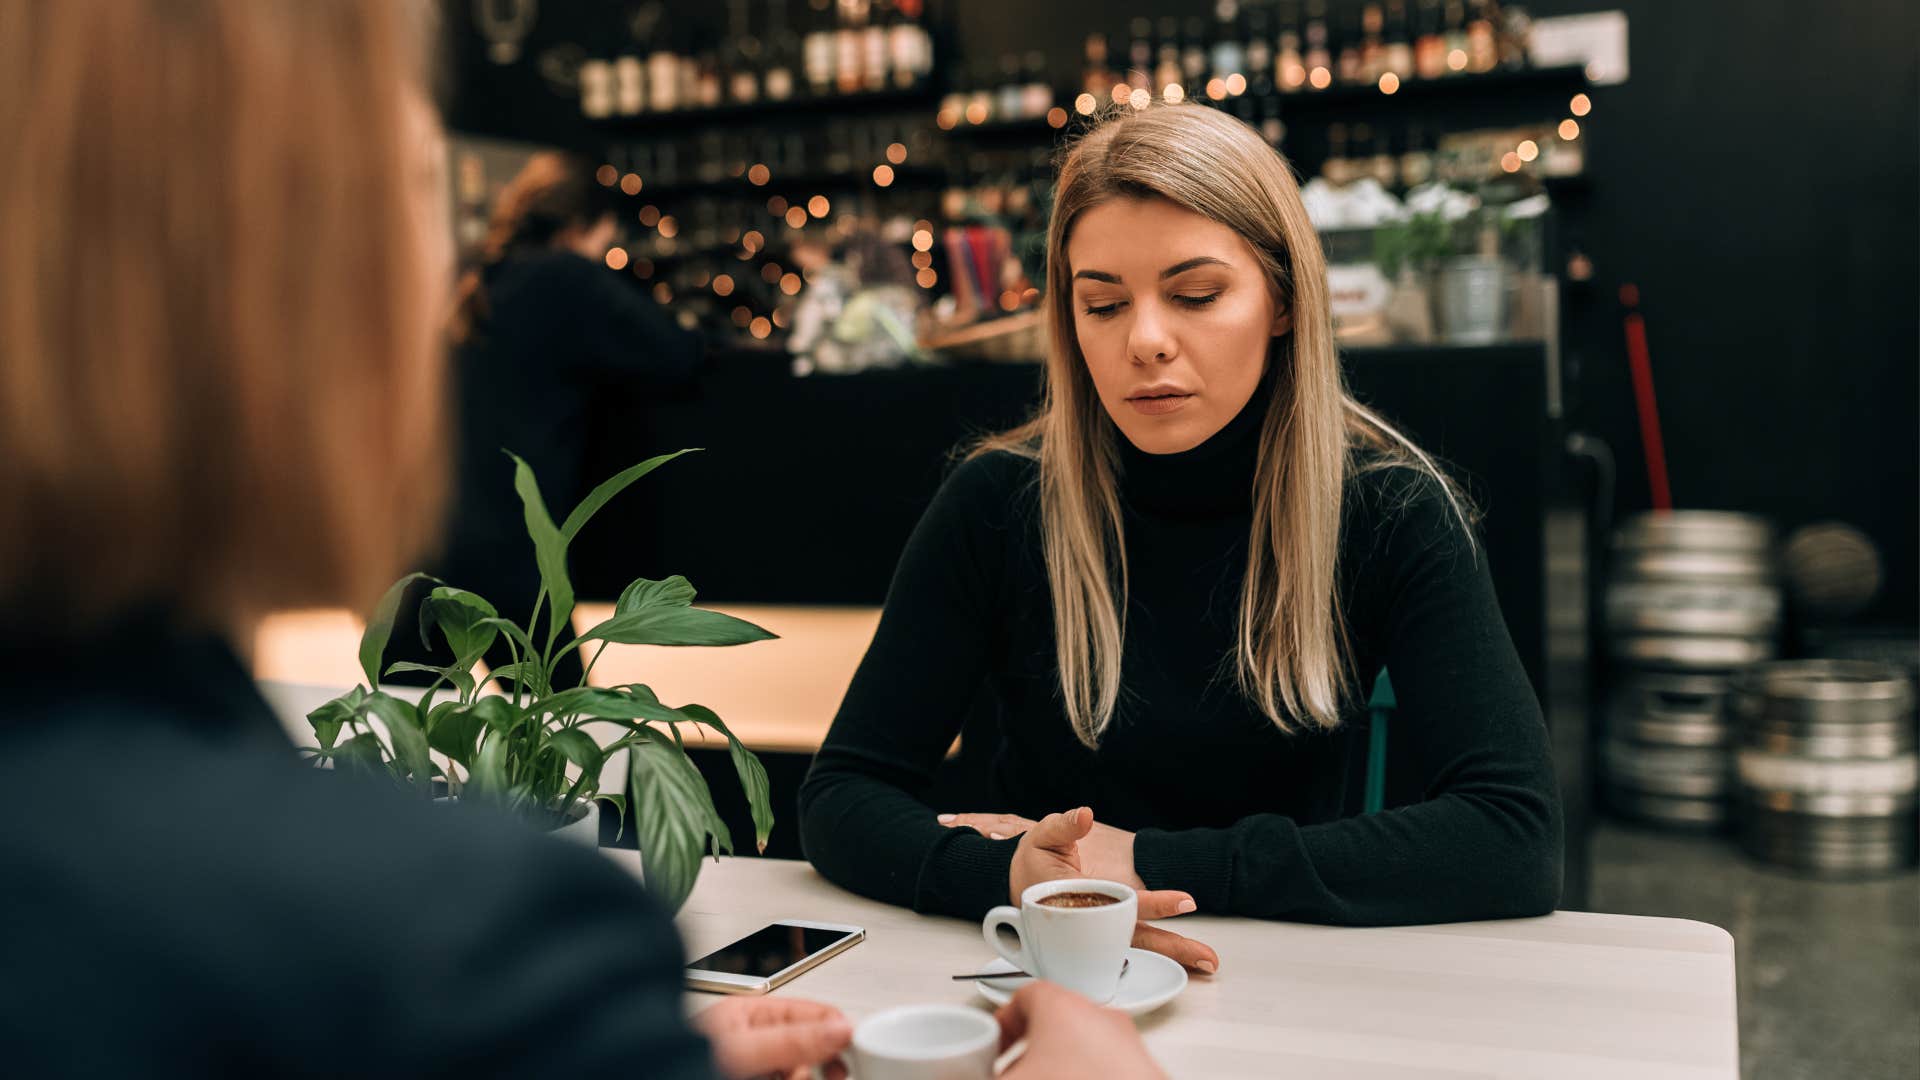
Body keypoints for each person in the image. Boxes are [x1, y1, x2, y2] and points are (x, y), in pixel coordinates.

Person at [0, 3, 1163, 1077]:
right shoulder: (466, 953)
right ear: (303, 274)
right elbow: (675, 358)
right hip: (518, 555)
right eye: (408, 184)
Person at [797, 103, 1563, 968]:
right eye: (1102, 304)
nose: (1146, 341)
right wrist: (1012, 876)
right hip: (1046, 971)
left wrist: (1147, 863)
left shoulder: (1387, 508)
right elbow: (842, 795)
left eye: (1196, 295)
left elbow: (1514, 835)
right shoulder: (999, 502)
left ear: (1280, 299)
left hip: (1290, 974)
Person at [390, 150, 705, 689]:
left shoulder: (472, 273)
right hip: (511, 552)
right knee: (558, 745)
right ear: (587, 227)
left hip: (426, 544)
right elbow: (678, 356)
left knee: (402, 746)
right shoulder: (566, 278)